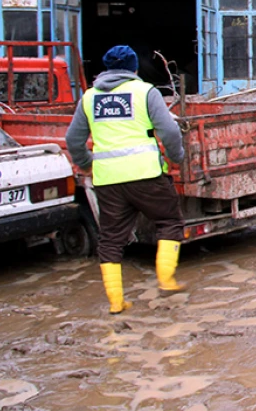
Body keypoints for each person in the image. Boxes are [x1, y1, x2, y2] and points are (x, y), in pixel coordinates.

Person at [65, 45, 186, 314]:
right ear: (134, 69)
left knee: (110, 239)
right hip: (146, 175)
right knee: (169, 221)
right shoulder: (145, 93)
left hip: (108, 180)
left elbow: (73, 140)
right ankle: (166, 280)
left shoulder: (89, 98)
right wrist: (177, 156)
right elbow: (169, 130)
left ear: (106, 69)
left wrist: (87, 164)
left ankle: (116, 302)